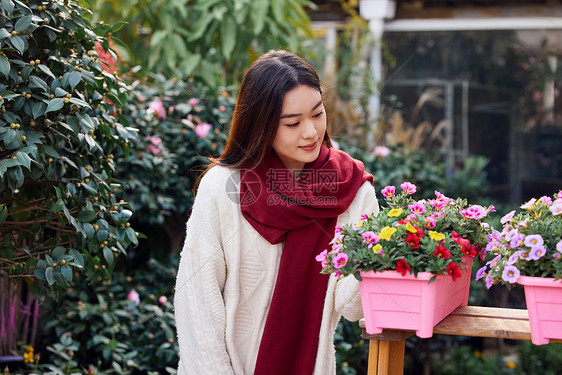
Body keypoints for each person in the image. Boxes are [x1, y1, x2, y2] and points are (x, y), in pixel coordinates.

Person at [174, 50, 379, 375]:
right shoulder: (224, 187)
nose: (311, 132)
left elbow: (352, 306)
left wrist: (386, 252)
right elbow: (198, 300)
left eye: (317, 113)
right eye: (293, 123)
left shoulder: (353, 190)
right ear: (261, 124)